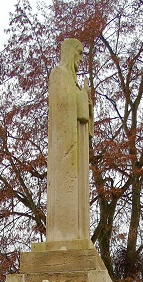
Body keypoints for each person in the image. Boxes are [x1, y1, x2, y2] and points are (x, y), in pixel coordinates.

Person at [46, 38, 94, 243]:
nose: (82, 58)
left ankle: (80, 238)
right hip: (65, 150)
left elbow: (83, 116)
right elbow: (65, 108)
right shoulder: (59, 74)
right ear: (69, 52)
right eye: (80, 53)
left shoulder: (72, 81)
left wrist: (86, 99)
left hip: (77, 152)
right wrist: (82, 99)